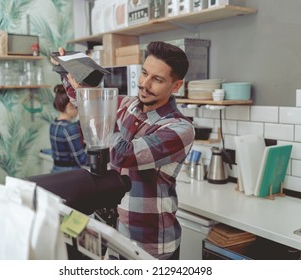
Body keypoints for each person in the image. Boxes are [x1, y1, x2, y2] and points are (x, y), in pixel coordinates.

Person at [53, 41, 195, 260]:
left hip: (150, 243)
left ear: (176, 86)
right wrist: (67, 68)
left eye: (157, 79)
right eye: (144, 73)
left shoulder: (179, 128)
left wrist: (97, 111)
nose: (144, 84)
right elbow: (82, 102)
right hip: (116, 235)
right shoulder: (126, 105)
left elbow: (123, 154)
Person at [50, 84, 88, 173]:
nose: (78, 110)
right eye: (77, 106)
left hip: (55, 171)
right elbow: (82, 159)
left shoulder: (54, 124)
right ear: (70, 106)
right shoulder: (70, 128)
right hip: (70, 173)